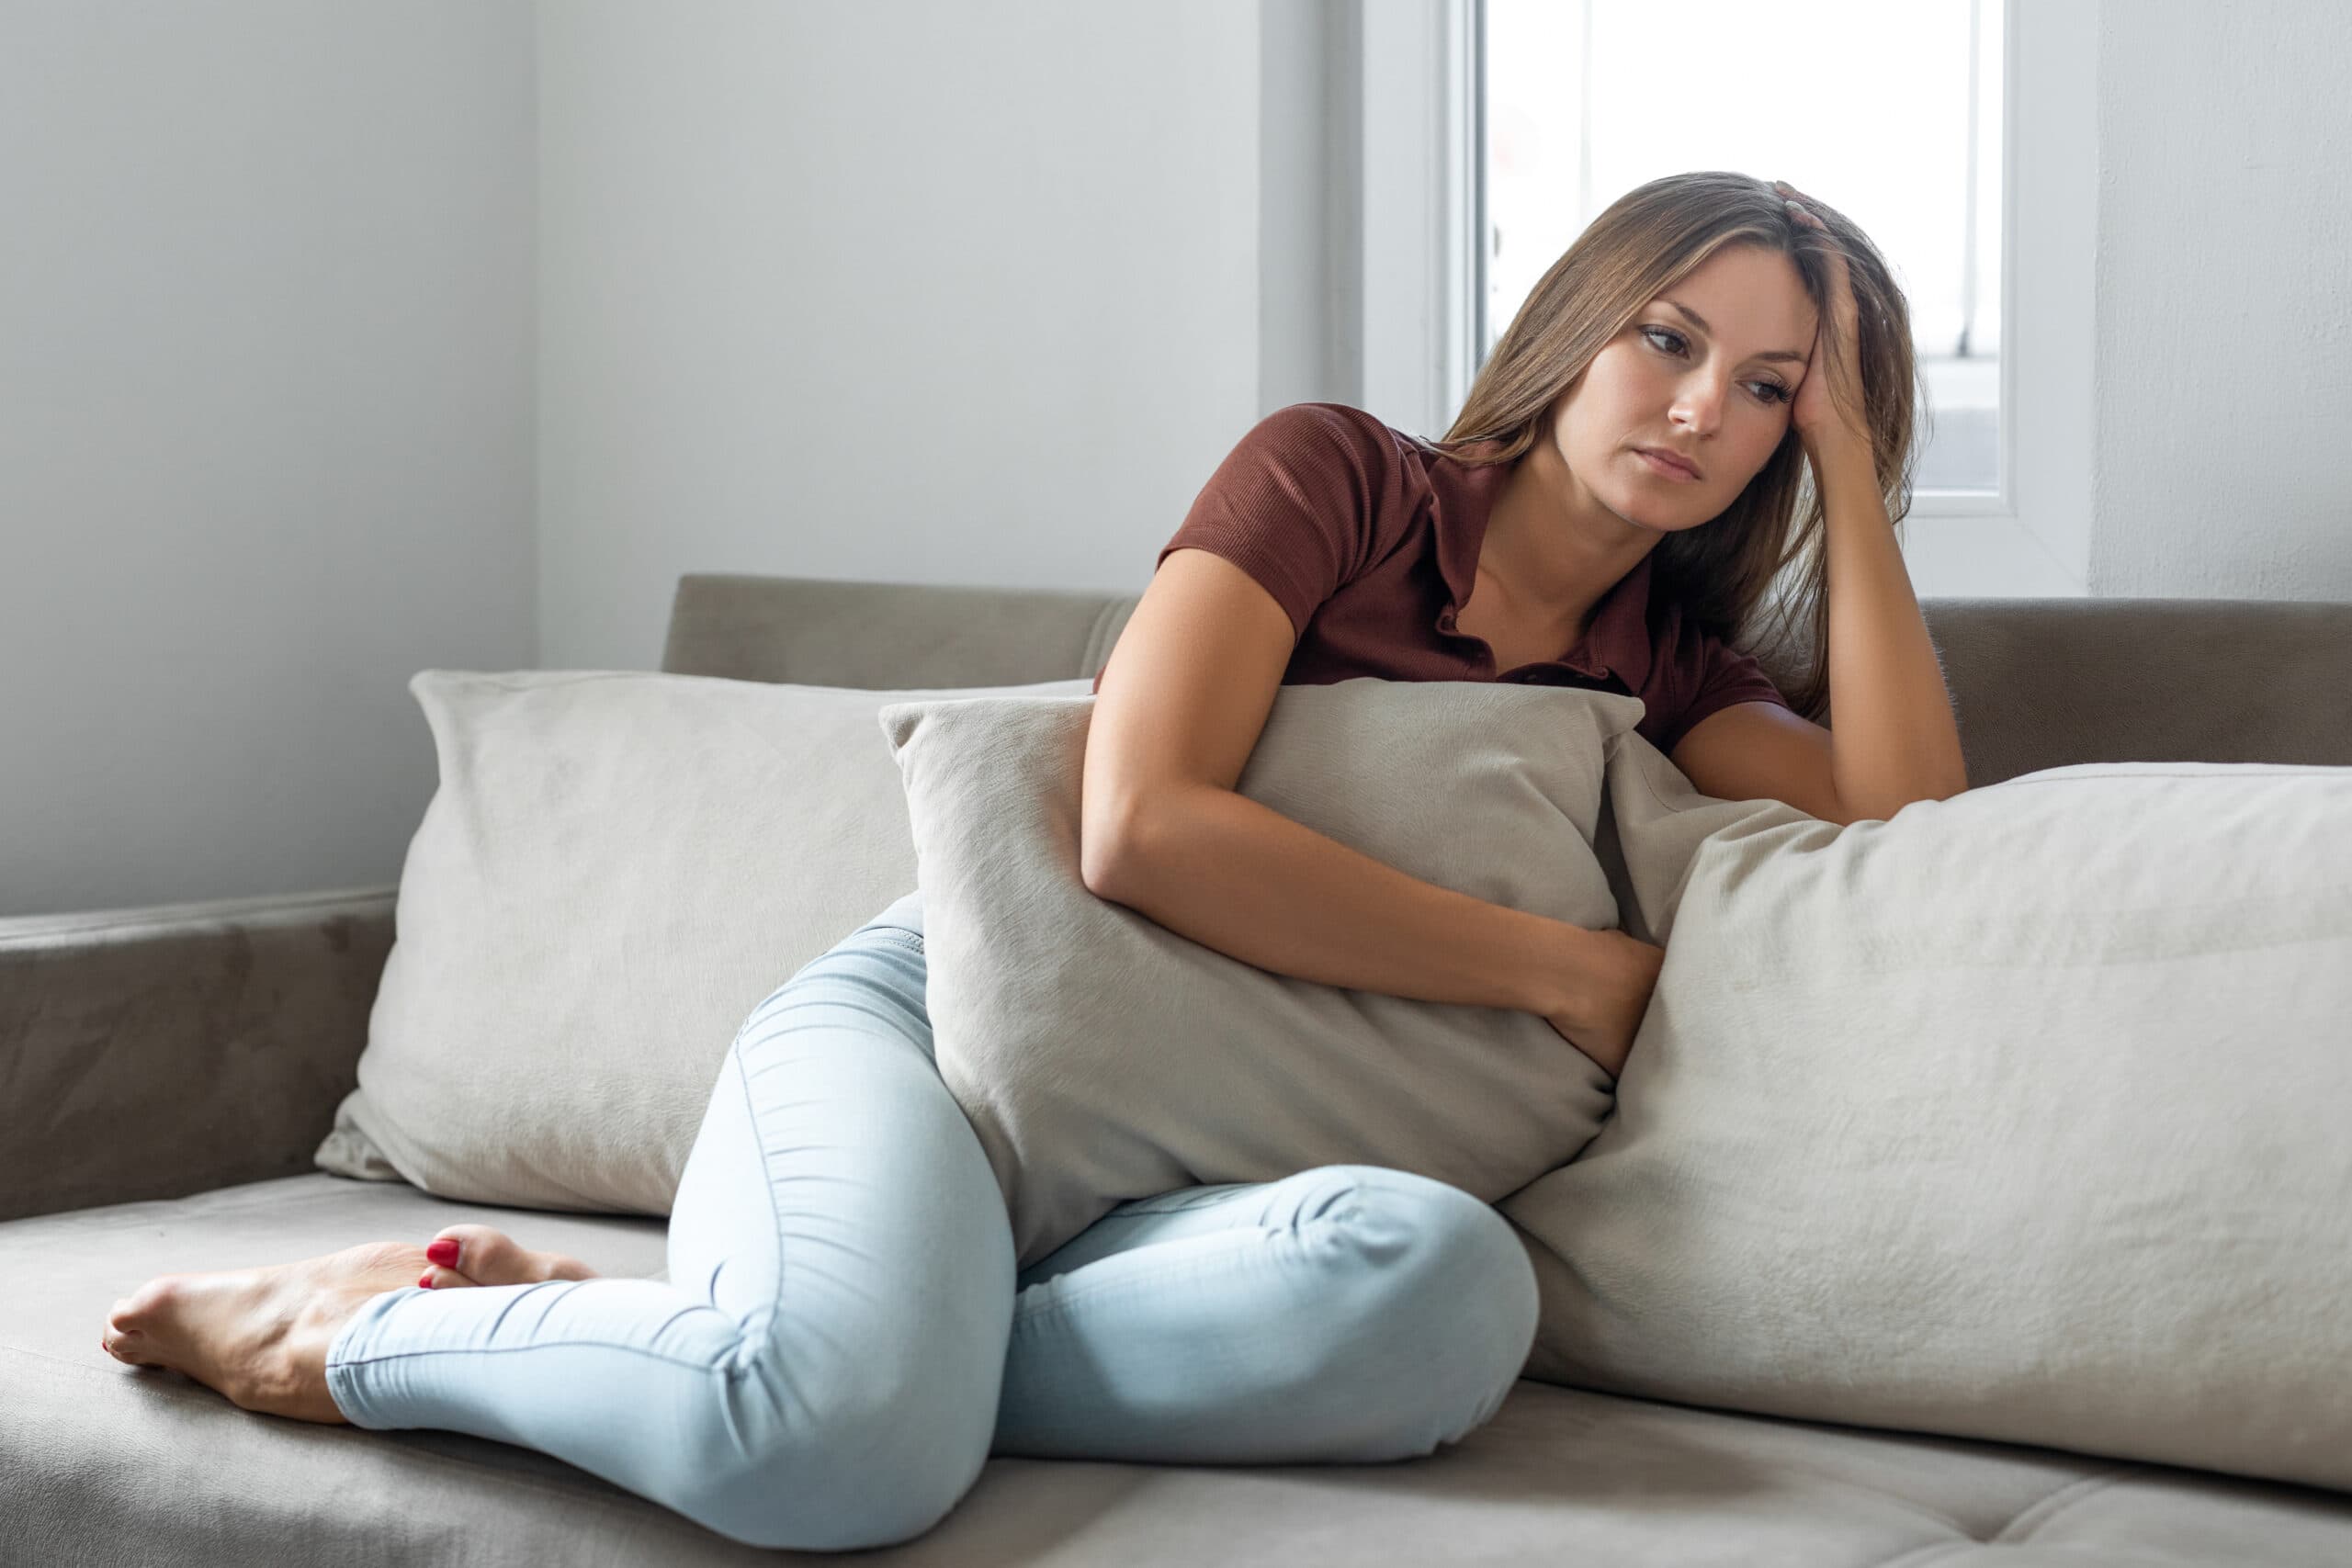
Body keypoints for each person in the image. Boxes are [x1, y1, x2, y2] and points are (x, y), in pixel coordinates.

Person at [99, 172, 1962, 1552]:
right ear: (1577, 324)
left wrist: (1856, 470)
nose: (1700, 408)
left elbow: (1901, 818)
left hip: (1201, 1176)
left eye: (1767, 390)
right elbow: (1135, 823)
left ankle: (669, 1327)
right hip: (935, 1039)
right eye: (1669, 338)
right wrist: (1557, 970)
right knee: (832, 1449)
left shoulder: (1668, 667)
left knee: (1448, 1293)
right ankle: (348, 1339)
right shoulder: (1335, 477)